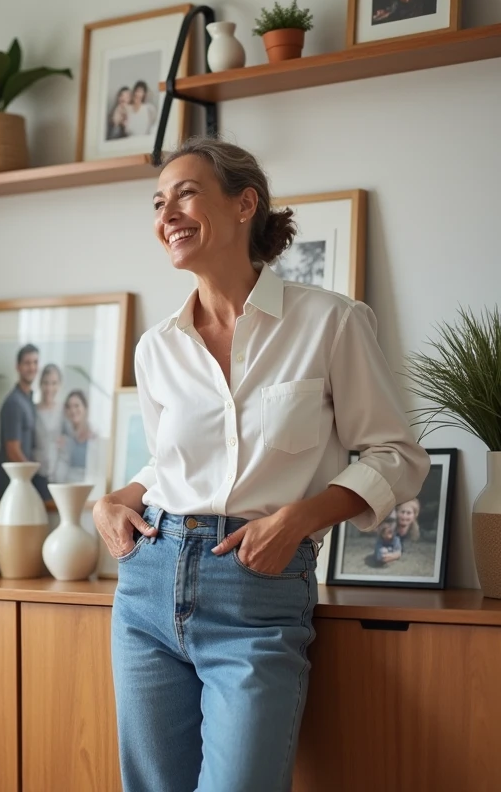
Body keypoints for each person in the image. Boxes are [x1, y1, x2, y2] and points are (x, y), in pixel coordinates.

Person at [94, 136, 429, 792]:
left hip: (257, 587)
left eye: (185, 193)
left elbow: (396, 455)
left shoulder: (330, 323)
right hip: (147, 584)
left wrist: (300, 518)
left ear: (245, 203)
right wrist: (117, 497)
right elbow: (171, 465)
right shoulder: (157, 347)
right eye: (158, 202)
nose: (167, 213)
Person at [0, 344, 50, 500]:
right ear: (18, 367)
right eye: (27, 363)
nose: (32, 367)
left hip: (21, 481)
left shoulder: (29, 400)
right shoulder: (14, 403)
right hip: (11, 483)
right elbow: (12, 450)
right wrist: (31, 477)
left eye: (35, 362)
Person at [55, 389, 104, 486]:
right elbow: (59, 473)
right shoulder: (65, 439)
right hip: (69, 488)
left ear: (85, 408)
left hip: (90, 489)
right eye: (69, 407)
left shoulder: (95, 438)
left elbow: (100, 471)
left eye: (76, 406)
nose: (73, 410)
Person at [34, 364, 66, 481]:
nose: (49, 388)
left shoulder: (63, 410)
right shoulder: (33, 410)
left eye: (54, 383)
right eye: (46, 383)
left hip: (58, 472)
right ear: (40, 384)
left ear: (59, 385)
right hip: (37, 472)